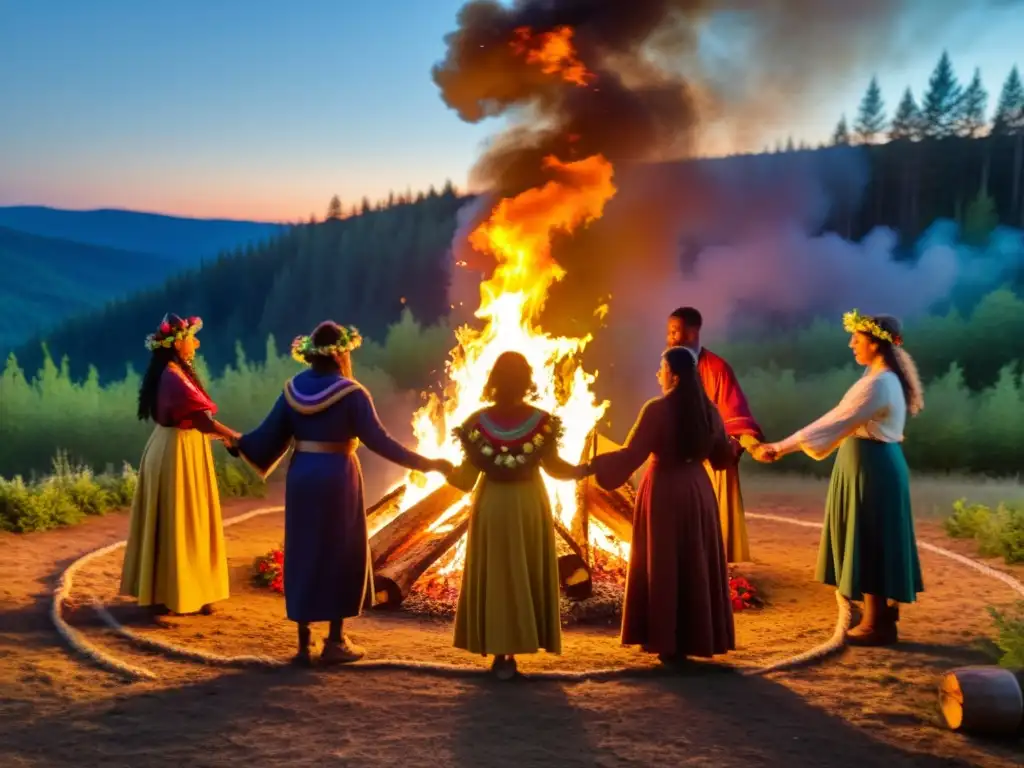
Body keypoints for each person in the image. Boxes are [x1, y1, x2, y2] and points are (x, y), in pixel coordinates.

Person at [228, 321, 453, 665]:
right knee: (340, 550)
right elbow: (381, 442)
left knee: (304, 549)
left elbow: (264, 437)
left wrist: (240, 443)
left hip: (303, 475)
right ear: (340, 353)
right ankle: (335, 641)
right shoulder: (352, 393)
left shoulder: (292, 390)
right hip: (337, 477)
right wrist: (427, 464)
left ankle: (303, 645)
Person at [756, 311, 925, 646]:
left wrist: (779, 447)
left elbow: (834, 421)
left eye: (857, 339)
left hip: (871, 467)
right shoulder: (880, 377)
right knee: (869, 534)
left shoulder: (879, 383)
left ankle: (877, 624)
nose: (851, 344)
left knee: (871, 536)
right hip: (868, 464)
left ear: (876, 343)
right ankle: (881, 617)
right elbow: (841, 421)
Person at [446, 351, 591, 680]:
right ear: (527, 381)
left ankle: (499, 655)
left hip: (492, 505)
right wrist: (586, 469)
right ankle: (519, 645)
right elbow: (555, 469)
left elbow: (466, 480)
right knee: (525, 573)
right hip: (528, 504)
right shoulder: (543, 422)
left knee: (497, 576)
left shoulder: (475, 424)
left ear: (493, 380)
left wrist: (438, 468)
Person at [589, 346, 737, 663]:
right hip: (697, 491)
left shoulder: (656, 409)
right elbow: (722, 457)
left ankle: (665, 639)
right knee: (692, 560)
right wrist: (735, 448)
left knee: (665, 562)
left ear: (674, 374)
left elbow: (631, 455)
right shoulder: (708, 410)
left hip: (664, 492)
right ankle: (691, 638)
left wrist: (592, 466)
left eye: (661, 368)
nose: (658, 374)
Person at [121, 313, 239, 617]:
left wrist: (222, 437)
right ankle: (178, 592)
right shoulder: (173, 376)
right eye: (191, 337)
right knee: (183, 519)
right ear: (177, 343)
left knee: (185, 519)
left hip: (179, 447)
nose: (196, 343)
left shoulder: (174, 371)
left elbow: (198, 421)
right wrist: (234, 436)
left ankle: (187, 589)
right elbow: (201, 419)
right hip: (177, 452)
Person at [667, 306, 766, 564]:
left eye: (675, 332)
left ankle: (716, 570)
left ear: (693, 332)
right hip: (681, 461)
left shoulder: (717, 369)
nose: (670, 338)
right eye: (668, 333)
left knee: (714, 523)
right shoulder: (670, 367)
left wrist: (752, 446)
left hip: (713, 461)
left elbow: (736, 418)